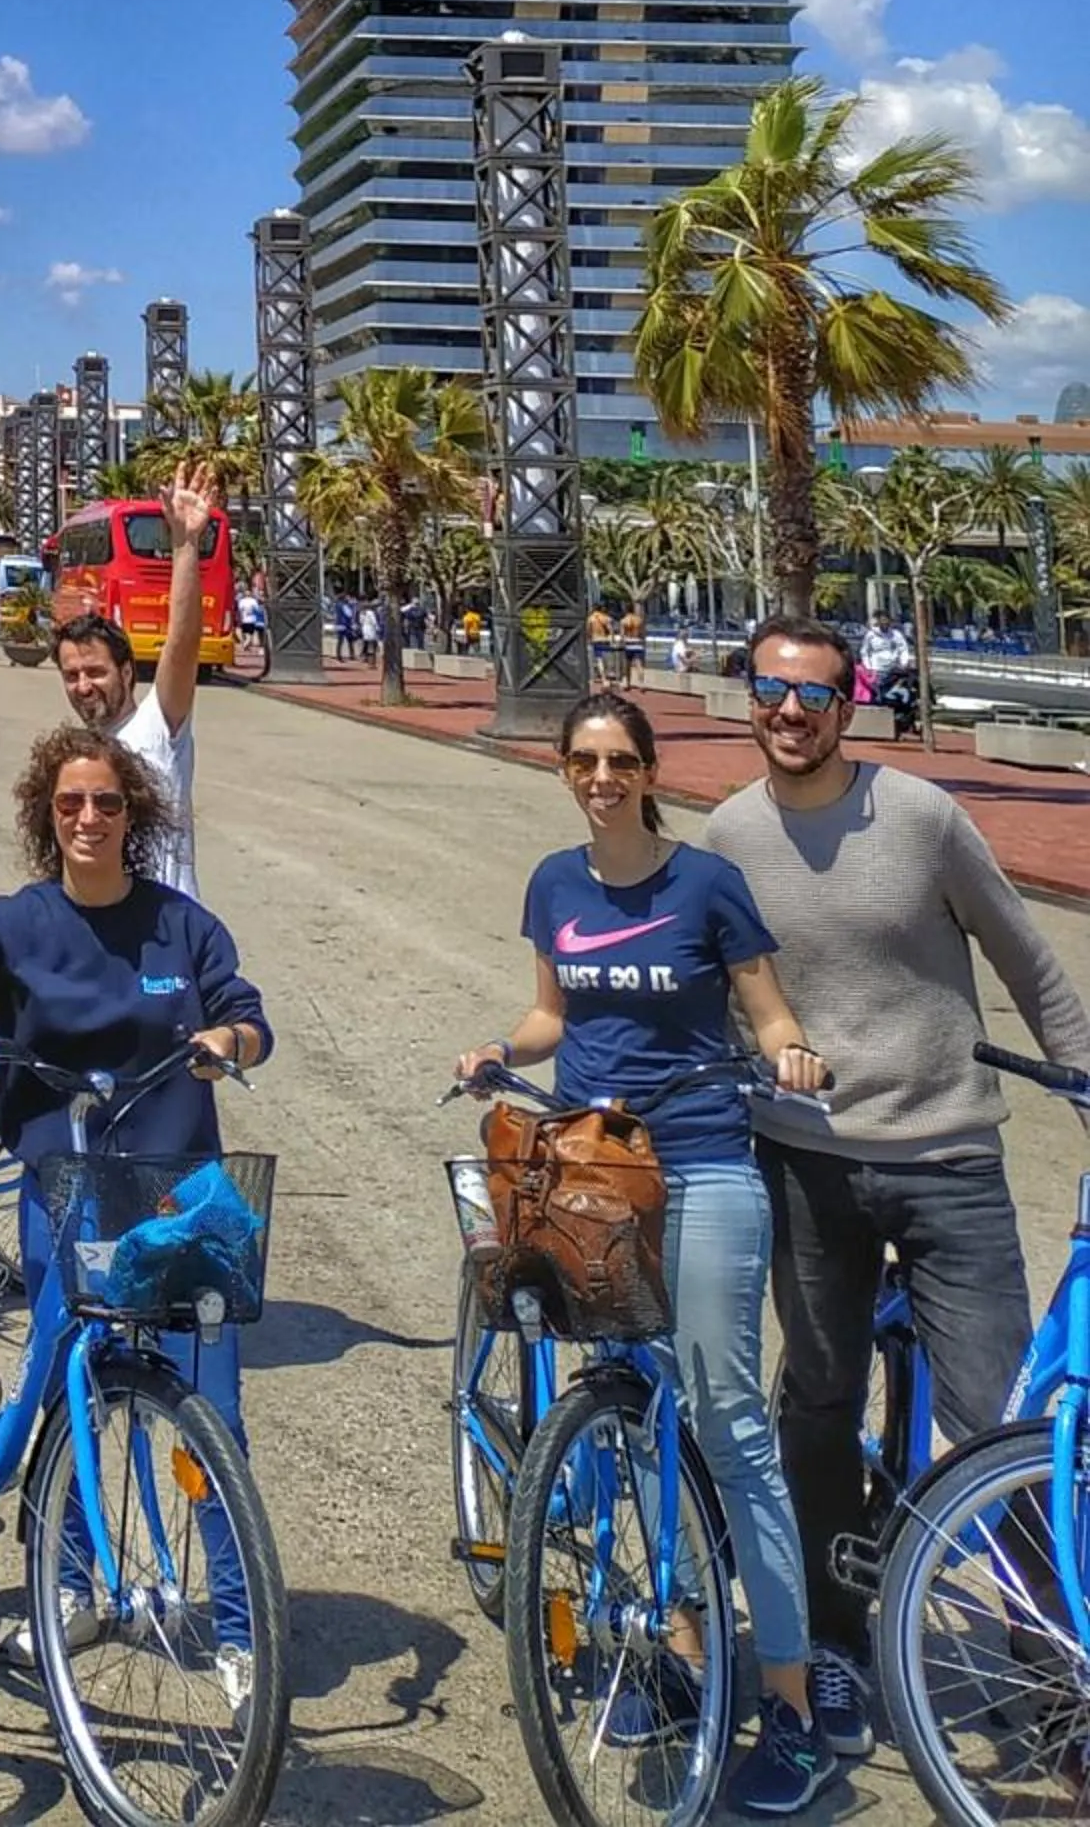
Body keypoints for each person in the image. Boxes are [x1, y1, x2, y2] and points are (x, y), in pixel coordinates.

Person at [704, 614, 1090, 1765]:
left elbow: (1026, 962)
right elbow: (710, 986)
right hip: (803, 1160)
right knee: (813, 1405)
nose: (786, 712)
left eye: (811, 696)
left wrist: (1080, 1087)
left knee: (1000, 1426)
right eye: (767, 690)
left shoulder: (919, 819)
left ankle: (1054, 1663)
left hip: (945, 1162)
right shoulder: (723, 834)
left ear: (847, 704)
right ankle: (831, 1639)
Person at [456, 689, 836, 1814]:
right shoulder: (553, 882)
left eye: (619, 759)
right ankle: (673, 1646)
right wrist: (495, 1048)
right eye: (583, 760)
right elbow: (552, 1018)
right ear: (564, 772)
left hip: (702, 1159)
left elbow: (765, 1012)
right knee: (631, 1405)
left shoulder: (705, 884)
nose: (600, 776)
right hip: (584, 1166)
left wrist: (793, 1053)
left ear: (647, 769)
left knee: (723, 1418)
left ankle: (789, 1705)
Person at [0, 725, 271, 1693]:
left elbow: (247, 1014)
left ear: (130, 815)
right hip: (66, 1193)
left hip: (181, 1194)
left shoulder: (179, 925)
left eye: (105, 802)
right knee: (68, 1401)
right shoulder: (16, 923)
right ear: (44, 815)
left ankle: (237, 1626)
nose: (87, 818)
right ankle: (65, 1587)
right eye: (69, 803)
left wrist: (230, 1041)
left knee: (210, 1417)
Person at [49, 461, 214, 896]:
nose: (83, 685)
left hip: (169, 932)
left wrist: (185, 545)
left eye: (96, 672)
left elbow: (182, 645)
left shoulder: (159, 727)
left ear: (126, 672)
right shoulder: (78, 757)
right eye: (72, 675)